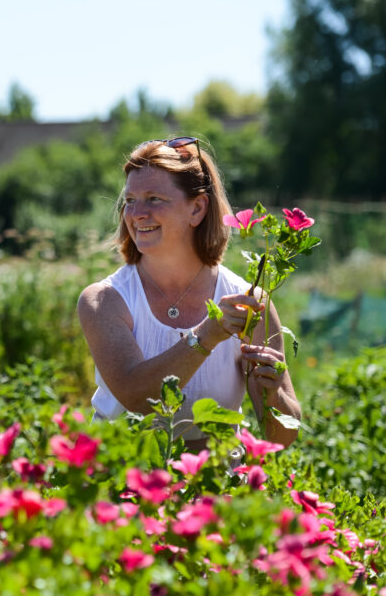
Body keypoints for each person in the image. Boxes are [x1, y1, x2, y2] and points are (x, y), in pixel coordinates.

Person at [77, 137, 300, 451]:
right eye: (130, 200)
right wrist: (208, 334)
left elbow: (283, 437)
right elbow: (137, 398)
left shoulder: (249, 303)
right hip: (124, 483)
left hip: (216, 487)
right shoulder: (105, 300)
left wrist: (272, 394)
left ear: (197, 208)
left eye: (154, 199)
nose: (137, 213)